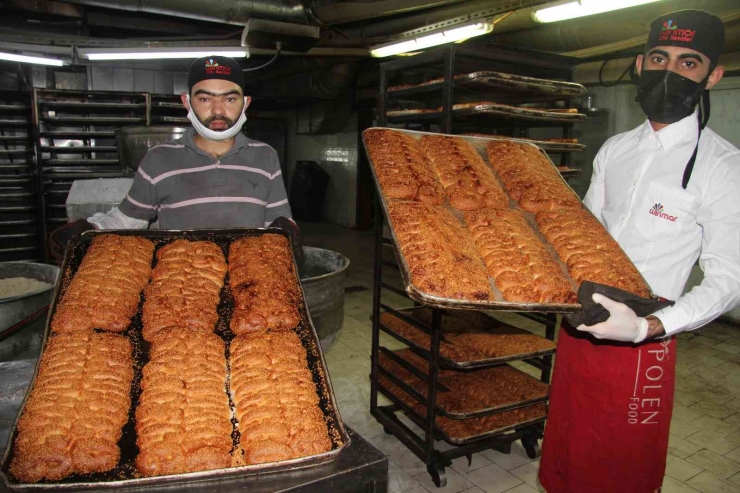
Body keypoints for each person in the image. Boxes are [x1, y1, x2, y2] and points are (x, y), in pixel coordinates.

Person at [538, 9, 740, 493]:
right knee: (567, 451)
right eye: (658, 57)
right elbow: (584, 234)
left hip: (642, 343)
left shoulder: (721, 167)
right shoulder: (615, 149)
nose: (669, 72)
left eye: (688, 62)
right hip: (578, 326)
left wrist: (650, 327)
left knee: (621, 471)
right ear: (639, 64)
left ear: (712, 75)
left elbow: (729, 279)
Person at [48, 55, 302, 264]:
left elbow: (276, 223)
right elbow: (128, 220)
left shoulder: (265, 156)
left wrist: (288, 229)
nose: (217, 110)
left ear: (245, 103)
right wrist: (87, 228)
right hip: (180, 282)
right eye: (204, 98)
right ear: (187, 102)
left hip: (249, 278)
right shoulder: (158, 159)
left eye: (229, 99)